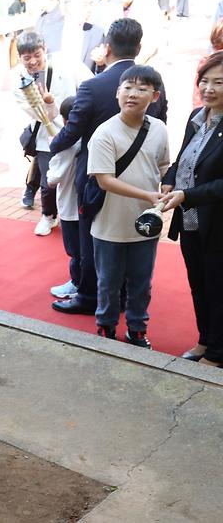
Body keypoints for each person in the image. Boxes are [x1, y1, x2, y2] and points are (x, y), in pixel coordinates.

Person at [49, 18, 168, 316]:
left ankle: (91, 297)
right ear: (138, 47)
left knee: (94, 238)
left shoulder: (92, 84)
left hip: (97, 176)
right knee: (135, 236)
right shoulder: (154, 83)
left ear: (107, 47)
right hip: (142, 177)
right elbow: (161, 123)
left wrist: (51, 142)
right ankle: (128, 294)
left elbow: (71, 132)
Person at [88, 65, 170, 347]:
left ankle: (137, 329)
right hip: (110, 224)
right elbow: (105, 181)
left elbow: (162, 164)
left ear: (155, 96)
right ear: (117, 93)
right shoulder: (104, 133)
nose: (133, 94)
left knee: (141, 283)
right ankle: (106, 328)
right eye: (128, 87)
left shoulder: (159, 129)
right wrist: (148, 195)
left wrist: (167, 186)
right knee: (108, 284)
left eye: (142, 88)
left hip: (146, 223)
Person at [160, 51, 223, 367]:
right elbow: (182, 159)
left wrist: (187, 195)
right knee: (198, 282)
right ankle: (204, 340)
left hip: (217, 223)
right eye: (205, 81)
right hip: (190, 219)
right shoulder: (197, 116)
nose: (209, 88)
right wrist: (171, 179)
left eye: (219, 82)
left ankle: (217, 352)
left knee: (218, 286)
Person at [15, 31, 92, 236]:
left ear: (45, 49)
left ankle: (80, 213)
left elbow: (89, 83)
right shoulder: (19, 79)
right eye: (26, 57)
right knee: (49, 181)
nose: (33, 61)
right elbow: (41, 116)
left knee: (79, 176)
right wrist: (49, 102)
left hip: (75, 130)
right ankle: (48, 215)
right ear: (19, 58)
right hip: (46, 137)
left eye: (37, 54)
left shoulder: (65, 62)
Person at [46, 96, 81, 300]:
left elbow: (53, 178)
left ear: (66, 120)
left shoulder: (66, 144)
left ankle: (77, 283)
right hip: (86, 203)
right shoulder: (88, 137)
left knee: (75, 250)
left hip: (69, 204)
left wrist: (52, 161)